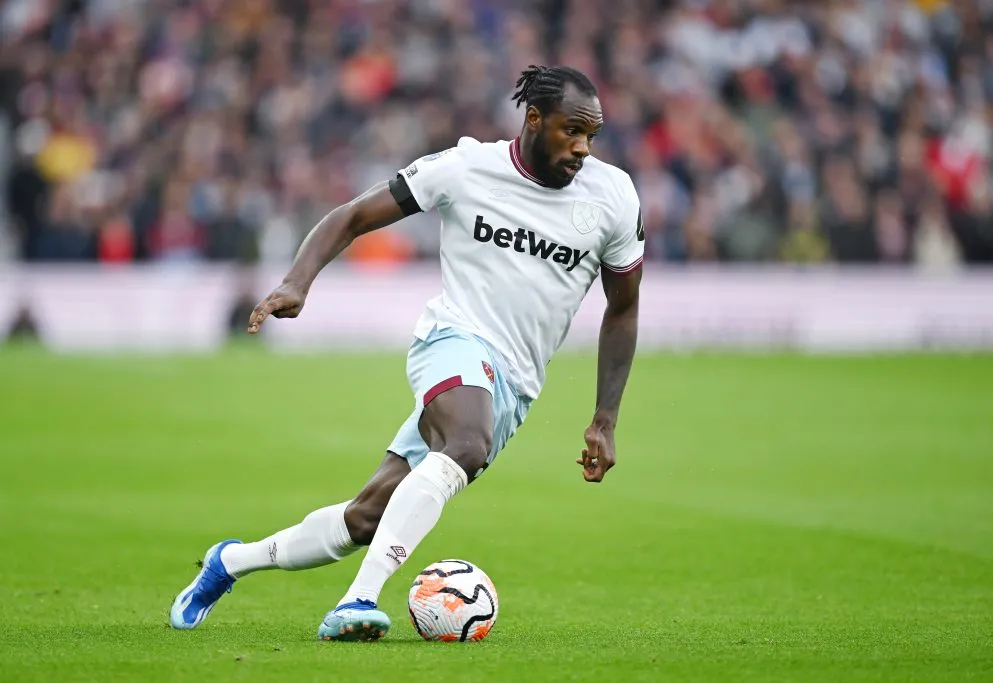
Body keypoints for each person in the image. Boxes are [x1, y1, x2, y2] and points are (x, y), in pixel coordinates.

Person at [168, 65, 645, 641]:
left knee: (366, 518)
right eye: (572, 131)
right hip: (454, 340)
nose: (582, 147)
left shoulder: (613, 195)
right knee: (466, 443)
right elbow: (352, 216)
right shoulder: (466, 168)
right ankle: (357, 602)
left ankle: (229, 562)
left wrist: (605, 417)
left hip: (515, 384)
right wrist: (298, 281)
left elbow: (623, 308)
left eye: (591, 135)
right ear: (534, 119)